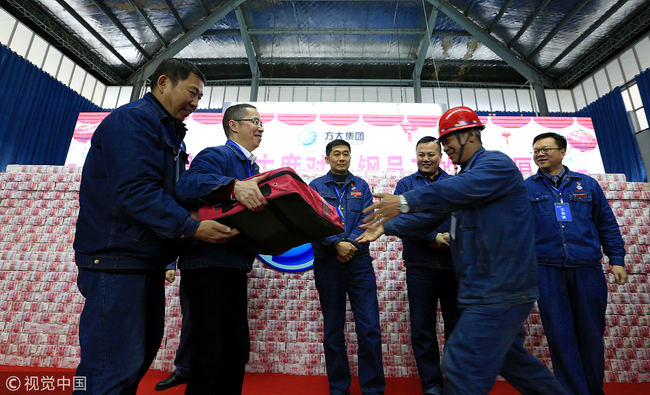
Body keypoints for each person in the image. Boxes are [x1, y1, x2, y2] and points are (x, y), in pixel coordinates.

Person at [356, 107, 567, 394]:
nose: (445, 149)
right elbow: (432, 215)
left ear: (469, 135)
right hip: (484, 287)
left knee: (460, 364)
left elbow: (452, 192)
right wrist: (387, 227)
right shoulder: (466, 177)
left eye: (447, 142)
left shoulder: (495, 166)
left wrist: (404, 201)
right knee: (516, 364)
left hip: (500, 287)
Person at [73, 59, 237, 395]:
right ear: (163, 82)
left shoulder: (171, 134)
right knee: (108, 369)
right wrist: (191, 227)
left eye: (200, 97)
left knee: (133, 362)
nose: (195, 102)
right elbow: (135, 191)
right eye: (192, 93)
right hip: (116, 261)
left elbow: (168, 193)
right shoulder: (134, 121)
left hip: (142, 261)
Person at [174, 103, 268, 394]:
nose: (261, 127)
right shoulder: (217, 155)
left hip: (235, 266)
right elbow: (187, 186)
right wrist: (233, 186)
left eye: (261, 122)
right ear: (234, 126)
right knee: (209, 354)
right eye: (254, 121)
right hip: (207, 266)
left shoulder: (254, 168)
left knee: (236, 351)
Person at [525, 132, 627, 395]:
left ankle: (593, 390)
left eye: (546, 149)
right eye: (535, 150)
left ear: (562, 151)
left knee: (591, 335)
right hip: (547, 270)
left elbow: (606, 225)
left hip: (587, 269)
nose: (540, 154)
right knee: (560, 338)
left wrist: (616, 260)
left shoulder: (588, 185)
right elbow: (517, 231)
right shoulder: (526, 188)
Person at [309, 139, 385, 395]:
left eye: (346, 154)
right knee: (333, 329)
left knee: (370, 329)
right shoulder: (316, 186)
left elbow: (366, 218)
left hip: (359, 263)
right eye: (337, 154)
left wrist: (348, 244)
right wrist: (335, 244)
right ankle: (338, 388)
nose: (342, 158)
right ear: (327, 158)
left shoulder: (360, 185)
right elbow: (313, 220)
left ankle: (373, 389)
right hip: (327, 263)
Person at [393, 136, 459, 395]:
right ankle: (431, 384)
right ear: (416, 155)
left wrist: (450, 238)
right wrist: (431, 238)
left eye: (431, 154)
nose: (426, 159)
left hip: (454, 267)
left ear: (440, 155)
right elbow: (400, 222)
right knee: (422, 329)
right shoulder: (405, 185)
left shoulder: (455, 184)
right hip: (420, 267)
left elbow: (467, 218)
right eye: (422, 154)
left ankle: (455, 383)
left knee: (457, 328)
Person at [154, 263, 191, 391]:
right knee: (191, 321)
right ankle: (185, 369)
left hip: (233, 264)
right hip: (195, 264)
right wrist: (170, 265)